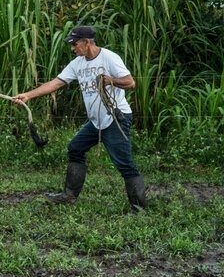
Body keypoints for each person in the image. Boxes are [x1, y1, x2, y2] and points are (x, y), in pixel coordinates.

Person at [12, 24, 146, 212]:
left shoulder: (109, 58)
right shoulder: (78, 63)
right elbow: (56, 83)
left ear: (87, 42)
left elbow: (130, 82)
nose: (73, 48)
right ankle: (69, 195)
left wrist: (110, 80)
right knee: (75, 148)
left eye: (75, 44)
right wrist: (28, 95)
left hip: (116, 119)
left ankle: (139, 207)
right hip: (96, 121)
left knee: (124, 164)